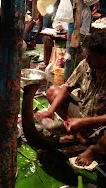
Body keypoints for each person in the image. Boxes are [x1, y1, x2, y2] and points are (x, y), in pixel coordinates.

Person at [36, 32, 106, 167]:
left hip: (100, 125)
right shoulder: (87, 64)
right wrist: (51, 110)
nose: (88, 60)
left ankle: (94, 149)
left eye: (92, 57)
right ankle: (78, 133)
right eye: (88, 55)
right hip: (83, 112)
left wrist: (83, 122)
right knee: (52, 92)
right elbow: (67, 87)